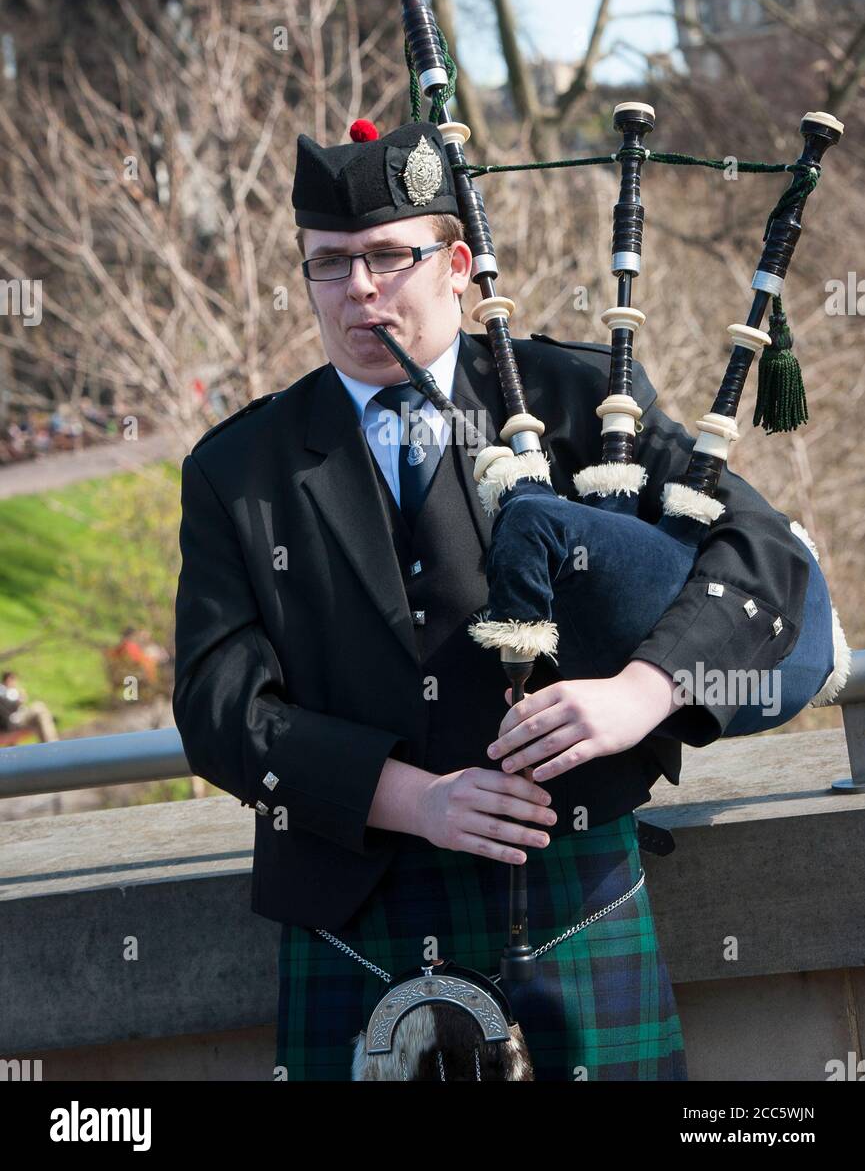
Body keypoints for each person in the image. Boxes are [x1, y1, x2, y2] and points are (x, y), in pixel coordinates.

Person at [172, 119, 813, 1081]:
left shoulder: (580, 403)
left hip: (572, 876)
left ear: (458, 264)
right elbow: (219, 706)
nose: (358, 290)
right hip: (359, 898)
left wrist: (645, 689)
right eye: (329, 263)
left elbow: (760, 554)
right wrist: (414, 799)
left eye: (390, 257)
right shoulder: (238, 467)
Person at [0, 669, 58, 742]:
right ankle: (52, 744)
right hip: (13, 721)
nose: (15, 682)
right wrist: (18, 701)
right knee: (40, 708)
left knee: (40, 718)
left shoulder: (11, 691)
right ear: (9, 679)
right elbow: (6, 709)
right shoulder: (2, 692)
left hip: (19, 717)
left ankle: (47, 745)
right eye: (14, 680)